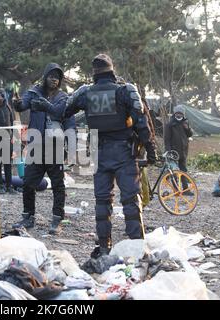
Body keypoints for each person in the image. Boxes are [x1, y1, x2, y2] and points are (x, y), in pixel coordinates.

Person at [64, 54, 157, 258]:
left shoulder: (85, 93)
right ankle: (137, 247)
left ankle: (105, 247)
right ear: (112, 71)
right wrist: (151, 150)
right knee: (131, 199)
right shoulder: (125, 91)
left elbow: (65, 111)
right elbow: (141, 123)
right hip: (124, 151)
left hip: (99, 151)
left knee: (102, 200)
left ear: (94, 74)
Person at [12, 63, 73, 235]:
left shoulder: (63, 97)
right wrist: (17, 103)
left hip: (55, 147)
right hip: (36, 146)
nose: (54, 79)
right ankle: (28, 216)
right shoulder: (34, 92)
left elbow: (66, 118)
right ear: (45, 76)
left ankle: (56, 219)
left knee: (58, 185)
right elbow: (22, 105)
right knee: (28, 183)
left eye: (57, 77)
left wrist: (70, 144)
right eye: (51, 76)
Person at [0, 89, 18, 194]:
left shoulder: (7, 107)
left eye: (0, 96)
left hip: (7, 138)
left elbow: (12, 122)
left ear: (3, 97)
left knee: (7, 163)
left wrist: (13, 136)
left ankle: (9, 186)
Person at [164, 105, 194, 194]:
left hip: (183, 151)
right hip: (173, 152)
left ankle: (185, 190)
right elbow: (167, 140)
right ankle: (176, 190)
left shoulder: (185, 122)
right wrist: (169, 151)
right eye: (177, 113)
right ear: (174, 113)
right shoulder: (170, 125)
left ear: (183, 114)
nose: (179, 115)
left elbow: (190, 134)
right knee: (174, 172)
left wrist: (187, 128)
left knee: (183, 170)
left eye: (180, 113)